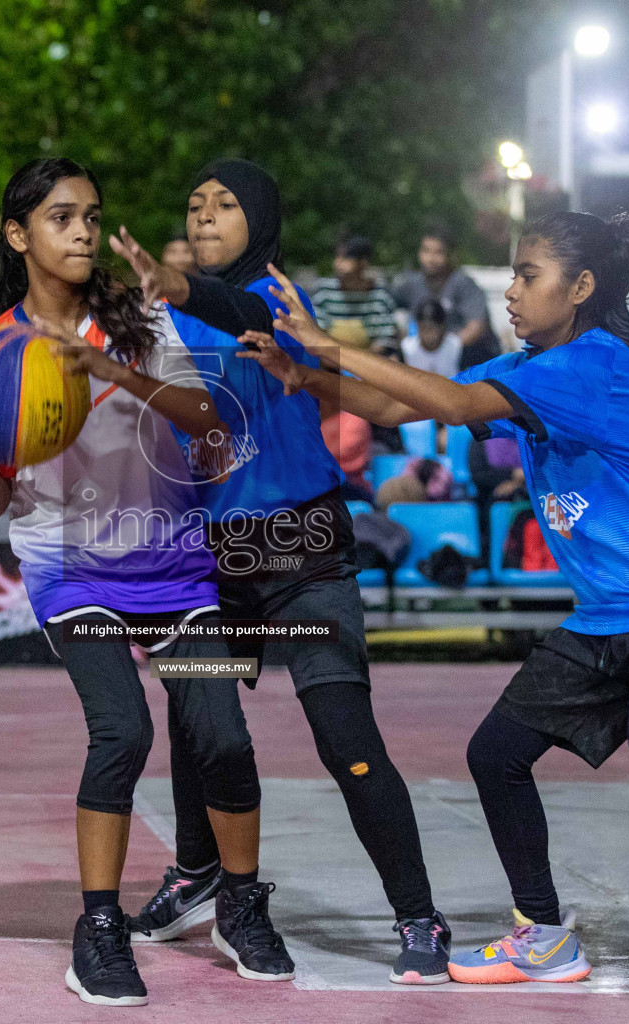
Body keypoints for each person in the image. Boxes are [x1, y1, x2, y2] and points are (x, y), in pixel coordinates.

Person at [239, 211, 629, 1011]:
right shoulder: (540, 363)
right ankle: (543, 935)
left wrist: (325, 342)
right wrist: (305, 376)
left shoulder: (590, 364)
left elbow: (444, 404)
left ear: (581, 288)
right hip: (617, 611)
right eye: (512, 274)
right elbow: (398, 412)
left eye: (527, 275)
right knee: (495, 753)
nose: (510, 290)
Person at [0, 158, 293, 1006]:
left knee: (220, 733)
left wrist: (114, 375)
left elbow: (207, 419)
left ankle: (242, 902)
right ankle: (100, 926)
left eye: (91, 216)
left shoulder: (141, 318)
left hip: (174, 563)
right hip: (73, 572)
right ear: (19, 234)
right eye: (62, 216)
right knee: (122, 731)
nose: (82, 230)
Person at [106, 158, 453, 986]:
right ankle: (200, 876)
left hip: (303, 553)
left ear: (258, 219)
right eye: (193, 205)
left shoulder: (277, 300)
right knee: (203, 726)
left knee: (345, 738)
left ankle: (418, 913)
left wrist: (184, 289)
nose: (203, 216)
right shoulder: (161, 321)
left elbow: (236, 305)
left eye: (223, 204)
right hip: (212, 558)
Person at [391, 223, 498, 367]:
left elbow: (476, 328)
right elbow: (387, 305)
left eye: (438, 252)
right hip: (426, 357)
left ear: (450, 255)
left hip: (465, 359)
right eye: (426, 251)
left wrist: (444, 350)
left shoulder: (463, 284)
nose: (431, 258)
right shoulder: (411, 284)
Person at [313, 235, 401, 359]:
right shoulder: (326, 292)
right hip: (331, 361)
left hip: (370, 362)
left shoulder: (378, 296)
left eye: (346, 258)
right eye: (337, 257)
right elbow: (317, 331)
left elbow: (385, 340)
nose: (338, 263)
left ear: (363, 263)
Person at [400, 299, 463, 379]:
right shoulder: (407, 348)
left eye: (430, 328)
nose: (427, 334)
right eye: (423, 328)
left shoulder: (455, 346)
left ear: (441, 327)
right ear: (417, 325)